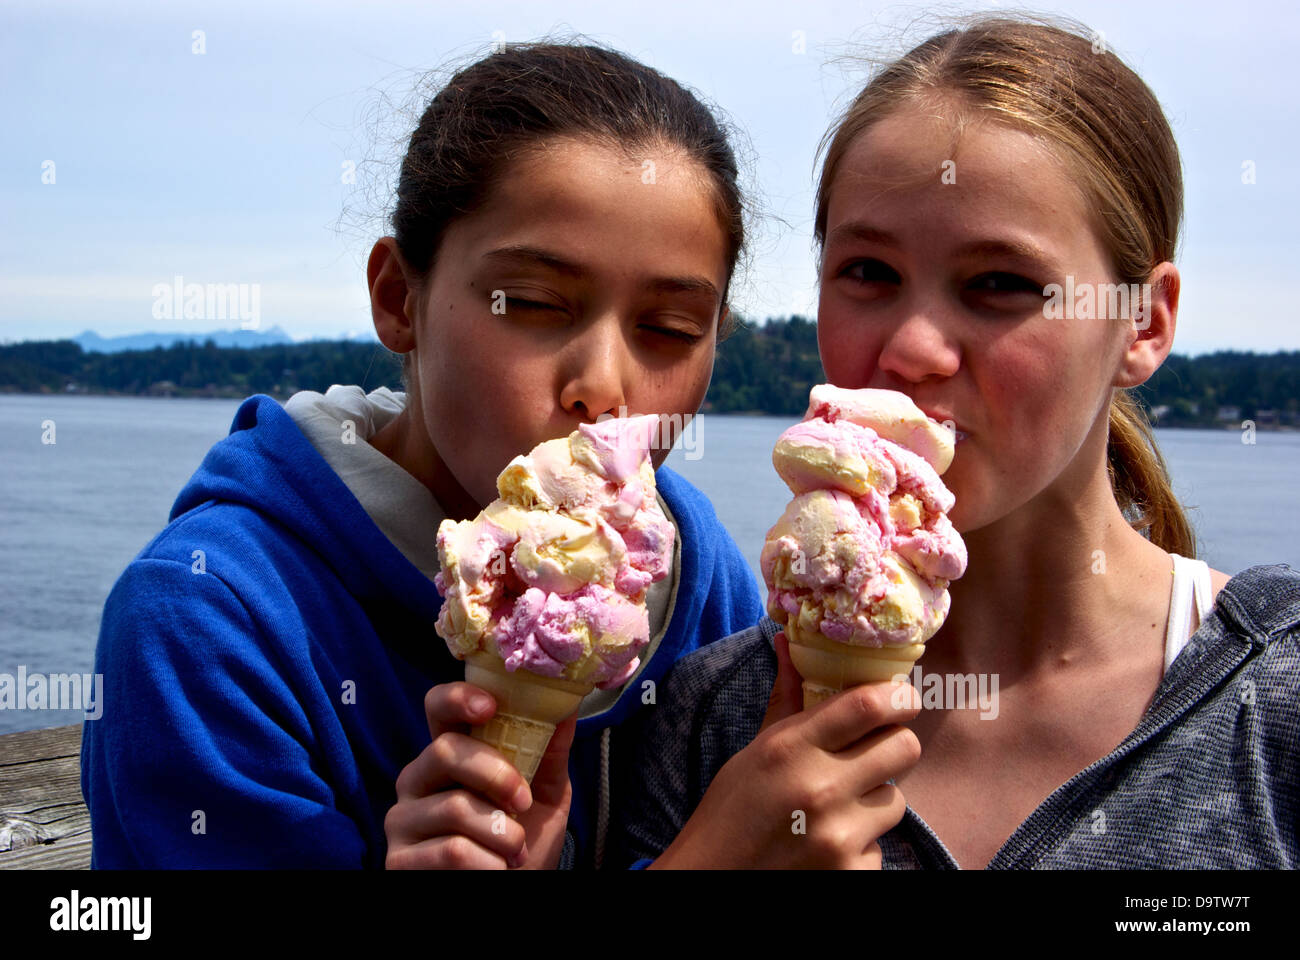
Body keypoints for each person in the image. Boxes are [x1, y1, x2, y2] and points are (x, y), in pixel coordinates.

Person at [610, 14, 1300, 869]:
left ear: (1144, 322)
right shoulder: (706, 717)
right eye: (868, 273)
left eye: (1000, 285)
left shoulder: (1271, 694)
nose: (911, 350)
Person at [80, 42, 763, 869]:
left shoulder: (699, 576)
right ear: (399, 300)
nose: (602, 387)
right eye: (536, 303)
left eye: (671, 330)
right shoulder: (209, 620)